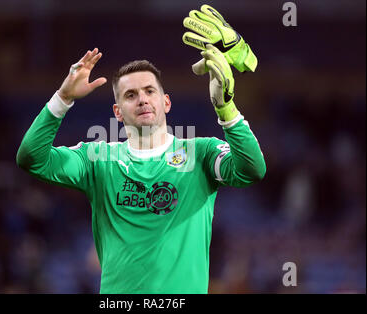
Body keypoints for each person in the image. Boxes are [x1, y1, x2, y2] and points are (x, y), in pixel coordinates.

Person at [17, 7, 266, 294]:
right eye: (131, 95)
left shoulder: (201, 153)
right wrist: (62, 98)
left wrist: (226, 108)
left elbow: (252, 170)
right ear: (118, 111)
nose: (142, 100)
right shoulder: (98, 159)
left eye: (150, 91)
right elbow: (31, 158)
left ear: (166, 102)